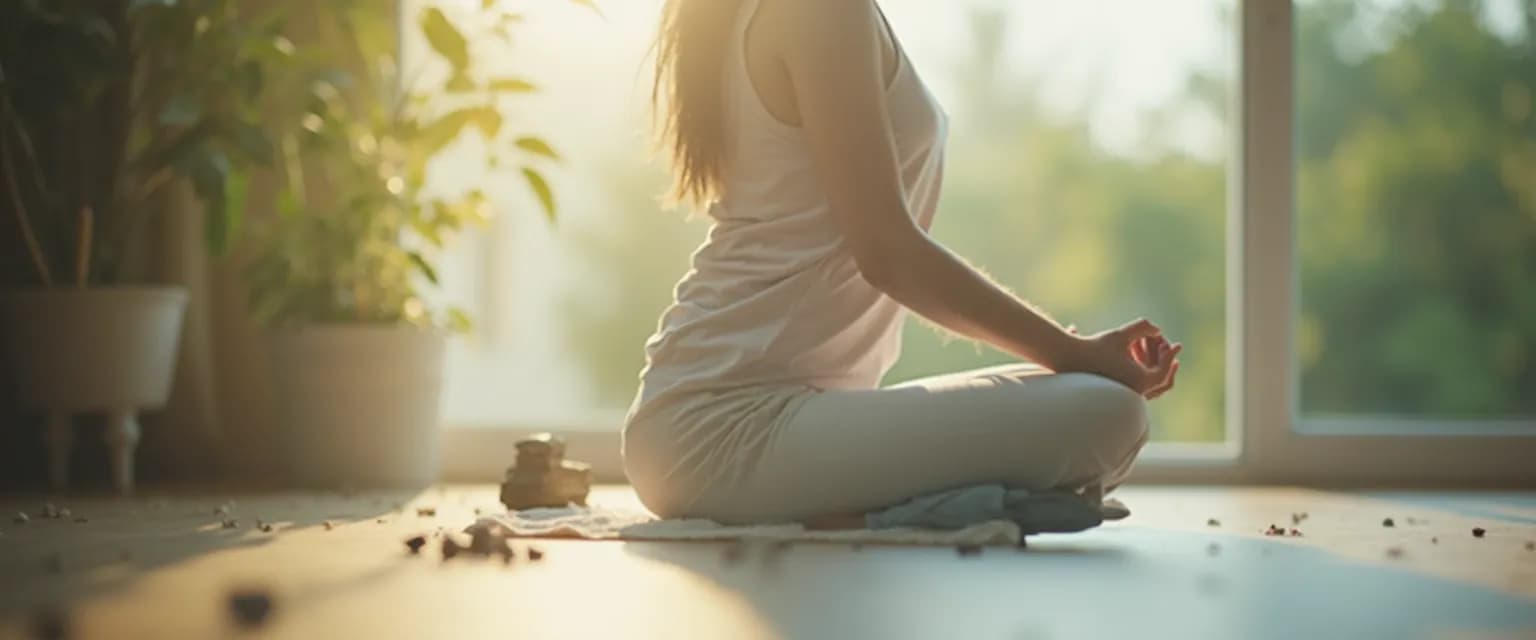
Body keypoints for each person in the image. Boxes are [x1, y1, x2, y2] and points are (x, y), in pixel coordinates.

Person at [623, 0, 1182, 525]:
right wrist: (1072, 352)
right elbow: (890, 255)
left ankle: (891, 509)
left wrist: (1071, 359)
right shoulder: (817, 11)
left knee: (1096, 402)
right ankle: (894, 513)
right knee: (1107, 414)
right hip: (722, 426)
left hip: (742, 418)